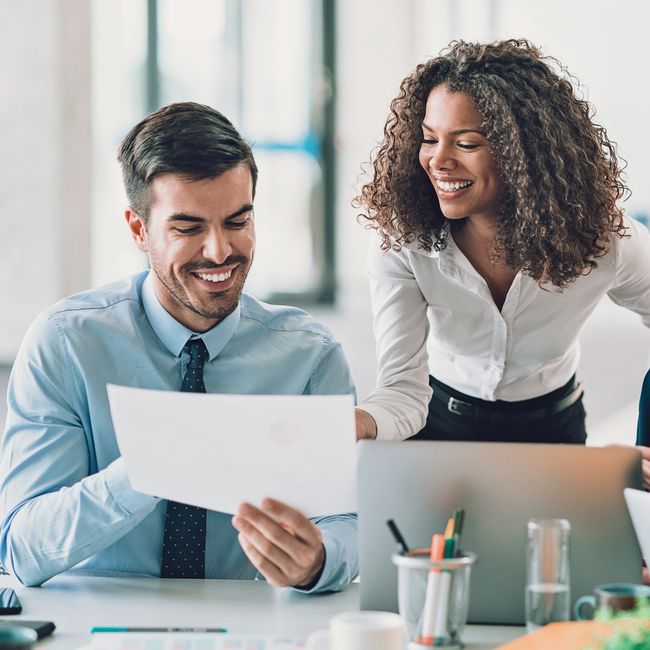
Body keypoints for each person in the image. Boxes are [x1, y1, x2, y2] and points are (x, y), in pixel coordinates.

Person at [0, 102, 358, 590]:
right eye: (188, 228)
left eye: (237, 221)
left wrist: (319, 562)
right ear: (138, 230)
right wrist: (152, 466)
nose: (219, 251)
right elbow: (22, 548)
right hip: (97, 627)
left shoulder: (310, 357)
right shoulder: (65, 343)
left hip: (250, 629)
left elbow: (348, 522)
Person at [353, 39, 650, 443]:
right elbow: (401, 390)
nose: (438, 161)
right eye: (428, 138)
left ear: (523, 153)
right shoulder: (404, 240)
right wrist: (360, 424)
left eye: (467, 143)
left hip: (553, 428)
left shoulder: (603, 239)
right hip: (438, 421)